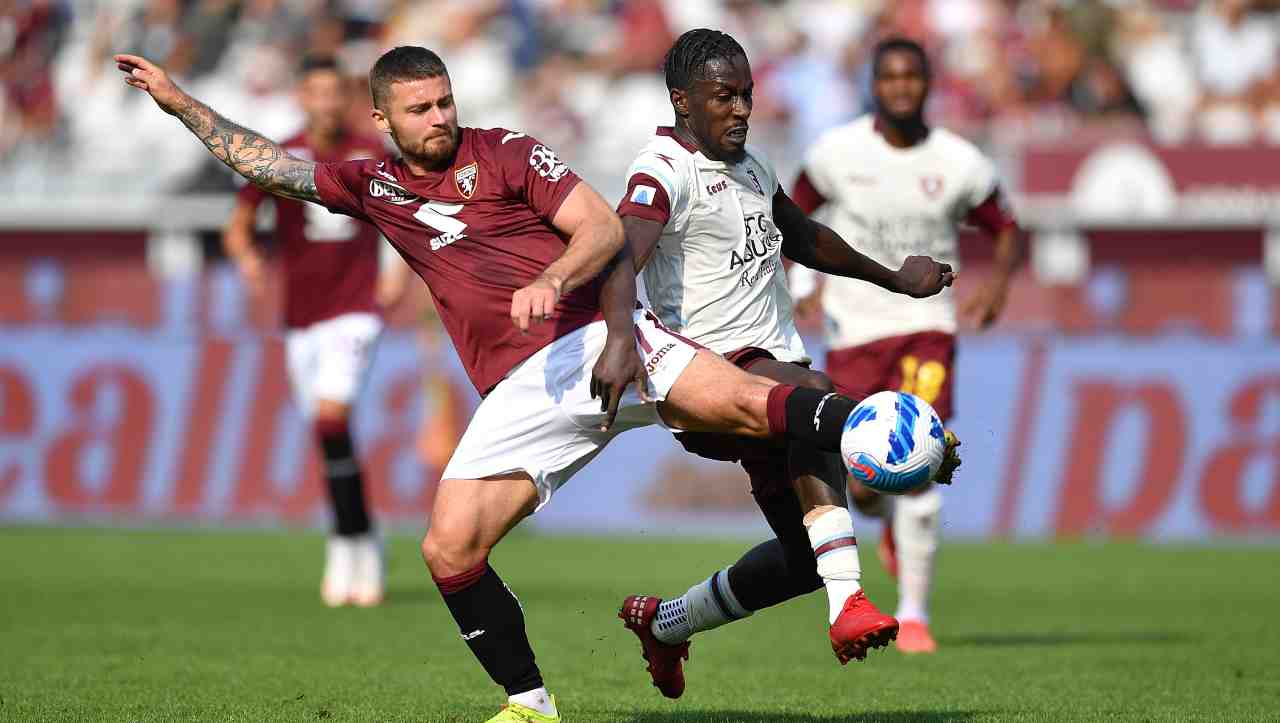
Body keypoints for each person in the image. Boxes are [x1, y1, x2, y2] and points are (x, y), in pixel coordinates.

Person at [115, 45, 953, 722]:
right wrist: (182, 103)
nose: (441, 118)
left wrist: (555, 278)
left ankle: (897, 428)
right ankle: (529, 701)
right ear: (383, 119)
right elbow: (272, 168)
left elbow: (597, 226)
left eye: (445, 101)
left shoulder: (507, 151)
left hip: (599, 337)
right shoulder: (373, 186)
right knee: (448, 547)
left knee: (747, 396)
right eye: (420, 109)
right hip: (522, 389)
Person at [603, 29, 959, 699]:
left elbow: (804, 236)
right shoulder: (662, 169)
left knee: (802, 559)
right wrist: (620, 340)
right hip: (711, 381)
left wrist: (894, 278)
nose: (741, 109)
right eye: (723, 97)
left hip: (774, 372)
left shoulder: (754, 166)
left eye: (747, 95)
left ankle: (667, 622)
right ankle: (849, 603)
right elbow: (620, 255)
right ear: (683, 100)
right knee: (816, 396)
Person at [790, 37, 1023, 654]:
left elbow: (1005, 227)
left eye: (911, 76)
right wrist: (802, 282)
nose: (900, 86)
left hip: (927, 328)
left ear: (926, 84)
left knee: (923, 459)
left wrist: (998, 285)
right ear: (874, 83)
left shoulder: (960, 162)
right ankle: (890, 522)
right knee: (866, 486)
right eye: (889, 76)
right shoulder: (836, 152)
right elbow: (791, 216)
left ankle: (914, 614)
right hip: (854, 329)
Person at [221, 54, 403, 609]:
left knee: (332, 417)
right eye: (315, 92)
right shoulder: (282, 155)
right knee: (329, 439)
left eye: (334, 92)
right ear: (302, 96)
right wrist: (247, 258)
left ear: (345, 98)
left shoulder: (371, 153)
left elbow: (402, 219)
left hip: (356, 308)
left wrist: (394, 274)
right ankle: (358, 532)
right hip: (300, 316)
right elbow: (239, 223)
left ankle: (353, 548)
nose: (325, 102)